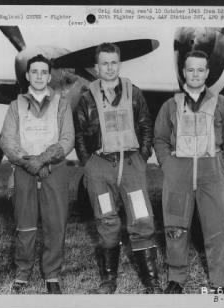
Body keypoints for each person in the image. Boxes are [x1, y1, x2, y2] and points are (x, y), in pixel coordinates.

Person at [74, 43, 161, 294]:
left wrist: (142, 157)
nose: (109, 68)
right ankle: (108, 279)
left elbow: (146, 126)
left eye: (113, 63)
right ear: (97, 67)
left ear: (119, 64)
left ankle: (151, 281)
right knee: (105, 219)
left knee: (142, 218)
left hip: (131, 163)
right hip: (100, 167)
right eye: (104, 63)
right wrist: (88, 164)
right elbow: (80, 134)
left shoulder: (134, 93)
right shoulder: (86, 98)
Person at [154, 50, 224, 294]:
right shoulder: (170, 105)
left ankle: (219, 281)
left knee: (217, 228)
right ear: (183, 73)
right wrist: (167, 163)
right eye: (190, 70)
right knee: (175, 227)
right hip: (178, 171)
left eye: (200, 70)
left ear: (207, 73)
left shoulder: (222, 103)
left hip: (211, 171)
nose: (195, 74)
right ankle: (176, 277)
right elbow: (159, 138)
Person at [0, 54, 74, 294]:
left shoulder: (61, 104)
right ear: (27, 75)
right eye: (35, 72)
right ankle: (23, 272)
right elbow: (7, 141)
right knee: (25, 224)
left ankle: (52, 274)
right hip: (24, 170)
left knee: (55, 224)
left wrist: (43, 159)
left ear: (49, 76)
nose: (39, 76)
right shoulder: (15, 105)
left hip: (54, 169)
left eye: (44, 72)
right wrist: (27, 161)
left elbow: (67, 139)